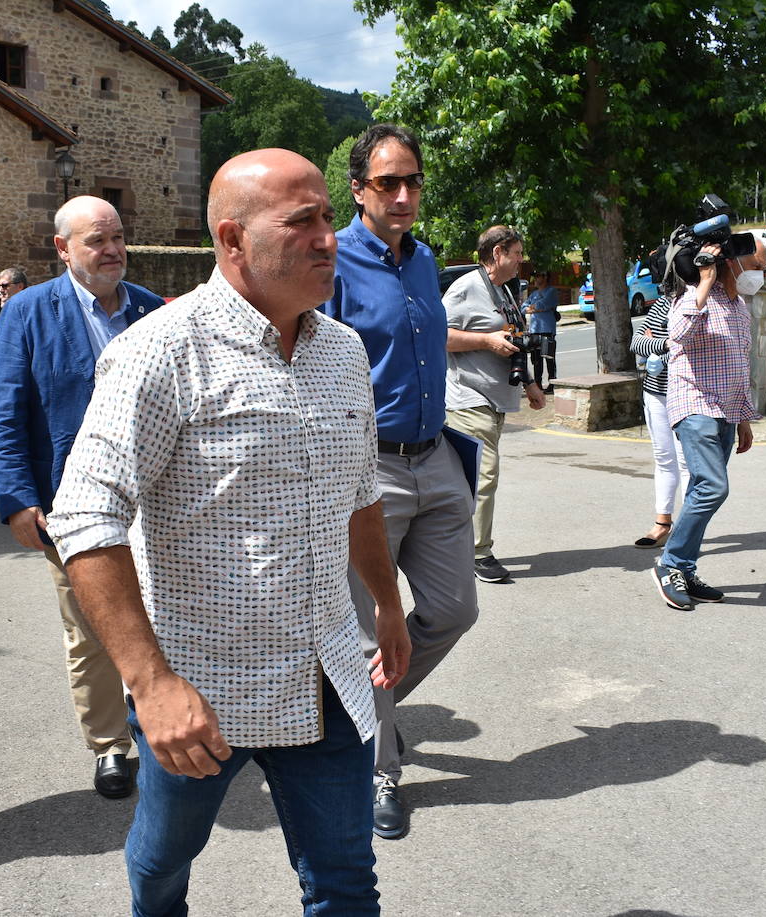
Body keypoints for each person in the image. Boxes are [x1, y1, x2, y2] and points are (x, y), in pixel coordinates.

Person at [46, 147, 411, 916]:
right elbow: (83, 515)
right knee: (162, 862)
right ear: (233, 239)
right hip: (202, 695)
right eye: (302, 221)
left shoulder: (342, 352)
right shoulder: (157, 351)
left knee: (345, 883)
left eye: (327, 218)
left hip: (327, 676)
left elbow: (358, 494)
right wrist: (151, 684)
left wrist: (386, 601)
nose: (328, 238)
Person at [322, 123, 478, 839]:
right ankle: (378, 770)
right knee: (368, 636)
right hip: (370, 465)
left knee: (452, 610)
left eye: (413, 180)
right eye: (389, 182)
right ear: (357, 188)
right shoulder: (331, 263)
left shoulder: (425, 261)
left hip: (436, 455)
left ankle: (358, 708)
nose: (405, 194)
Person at [0, 195, 164, 800]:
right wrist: (15, 495)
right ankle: (112, 744)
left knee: (163, 614)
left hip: (153, 499)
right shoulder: (30, 311)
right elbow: (5, 409)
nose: (112, 249)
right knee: (92, 624)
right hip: (71, 502)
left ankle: (158, 718)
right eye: (97, 240)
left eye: (118, 238)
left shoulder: (150, 309)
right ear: (63, 248)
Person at [652, 237, 766, 611]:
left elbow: (739, 366)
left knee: (702, 491)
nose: (758, 274)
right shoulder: (692, 297)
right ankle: (669, 564)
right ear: (730, 263)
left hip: (726, 411)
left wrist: (745, 418)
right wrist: (703, 282)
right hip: (695, 404)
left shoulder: (737, 305)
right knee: (714, 487)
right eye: (755, 265)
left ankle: (683, 568)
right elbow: (677, 335)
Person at [443, 225, 548, 584]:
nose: (521, 260)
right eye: (517, 253)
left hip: (497, 398)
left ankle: (458, 547)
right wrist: (486, 341)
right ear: (498, 252)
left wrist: (530, 383)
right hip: (469, 397)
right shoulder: (466, 287)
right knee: (484, 476)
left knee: (474, 479)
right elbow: (440, 335)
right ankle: (477, 553)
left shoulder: (505, 289)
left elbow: (514, 339)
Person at [629, 291, 688, 548]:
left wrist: (661, 353)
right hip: (656, 392)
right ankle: (662, 524)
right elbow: (636, 342)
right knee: (664, 458)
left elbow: (690, 345)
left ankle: (688, 529)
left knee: (687, 463)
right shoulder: (663, 301)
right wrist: (664, 345)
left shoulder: (698, 301)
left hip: (687, 392)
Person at [523, 271, 560, 390]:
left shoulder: (551, 291)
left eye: (538, 276)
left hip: (547, 329)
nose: (535, 279)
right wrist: (534, 308)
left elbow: (544, 304)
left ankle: (552, 382)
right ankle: (538, 383)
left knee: (549, 358)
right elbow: (523, 308)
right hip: (534, 330)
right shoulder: (533, 294)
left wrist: (534, 307)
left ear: (545, 277)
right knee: (536, 359)